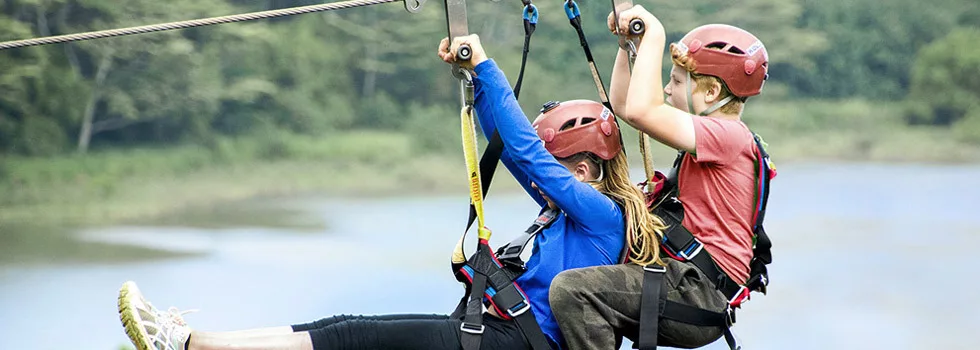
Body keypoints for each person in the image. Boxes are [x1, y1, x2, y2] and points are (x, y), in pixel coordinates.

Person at [116, 34, 666, 350]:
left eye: (558, 164)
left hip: (516, 344)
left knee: (357, 336)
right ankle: (196, 342)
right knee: (342, 331)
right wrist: (475, 81)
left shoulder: (601, 214)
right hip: (497, 332)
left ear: (588, 168)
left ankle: (187, 345)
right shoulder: (570, 209)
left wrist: (489, 66)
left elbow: (525, 154)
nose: (544, 177)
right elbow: (510, 146)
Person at [548, 5, 774, 350]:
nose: (667, 90)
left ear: (711, 93)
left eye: (677, 81)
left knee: (573, 290)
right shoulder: (718, 137)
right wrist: (629, 45)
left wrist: (653, 33)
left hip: (697, 291)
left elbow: (642, 110)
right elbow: (625, 106)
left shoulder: (729, 136)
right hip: (685, 284)